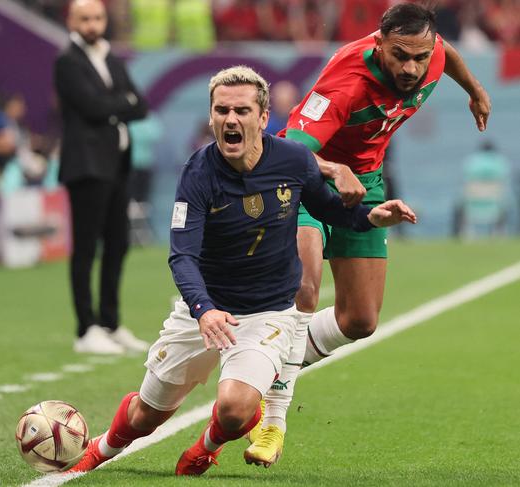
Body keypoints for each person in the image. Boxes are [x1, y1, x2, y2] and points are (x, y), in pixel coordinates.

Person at [66, 65, 416, 477]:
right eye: (222, 111)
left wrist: (371, 217)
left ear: (263, 118)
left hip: (267, 314)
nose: (231, 120)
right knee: (146, 415)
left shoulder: (294, 160)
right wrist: (204, 309)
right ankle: (102, 448)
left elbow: (329, 210)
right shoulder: (197, 174)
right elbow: (182, 256)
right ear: (212, 116)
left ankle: (208, 445)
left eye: (242, 111)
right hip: (206, 311)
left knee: (234, 410)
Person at [245, 3, 491, 467]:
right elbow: (283, 152)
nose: (412, 68)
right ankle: (272, 417)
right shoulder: (346, 84)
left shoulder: (429, 52)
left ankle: (265, 361)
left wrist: (474, 90)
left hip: (367, 181)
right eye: (401, 56)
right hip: (307, 178)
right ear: (379, 44)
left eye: (420, 57)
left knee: (360, 320)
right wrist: (335, 169)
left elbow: (446, 52)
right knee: (305, 288)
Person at [54, 0, 150, 354]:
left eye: (97, 18)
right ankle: (86, 328)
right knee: (85, 248)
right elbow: (92, 108)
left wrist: (113, 103)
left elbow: (140, 105)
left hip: (115, 165)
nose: (92, 24)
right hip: (87, 166)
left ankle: (110, 322)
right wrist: (118, 102)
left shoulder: (110, 58)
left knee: (118, 244)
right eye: (85, 19)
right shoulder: (68, 62)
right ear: (72, 21)